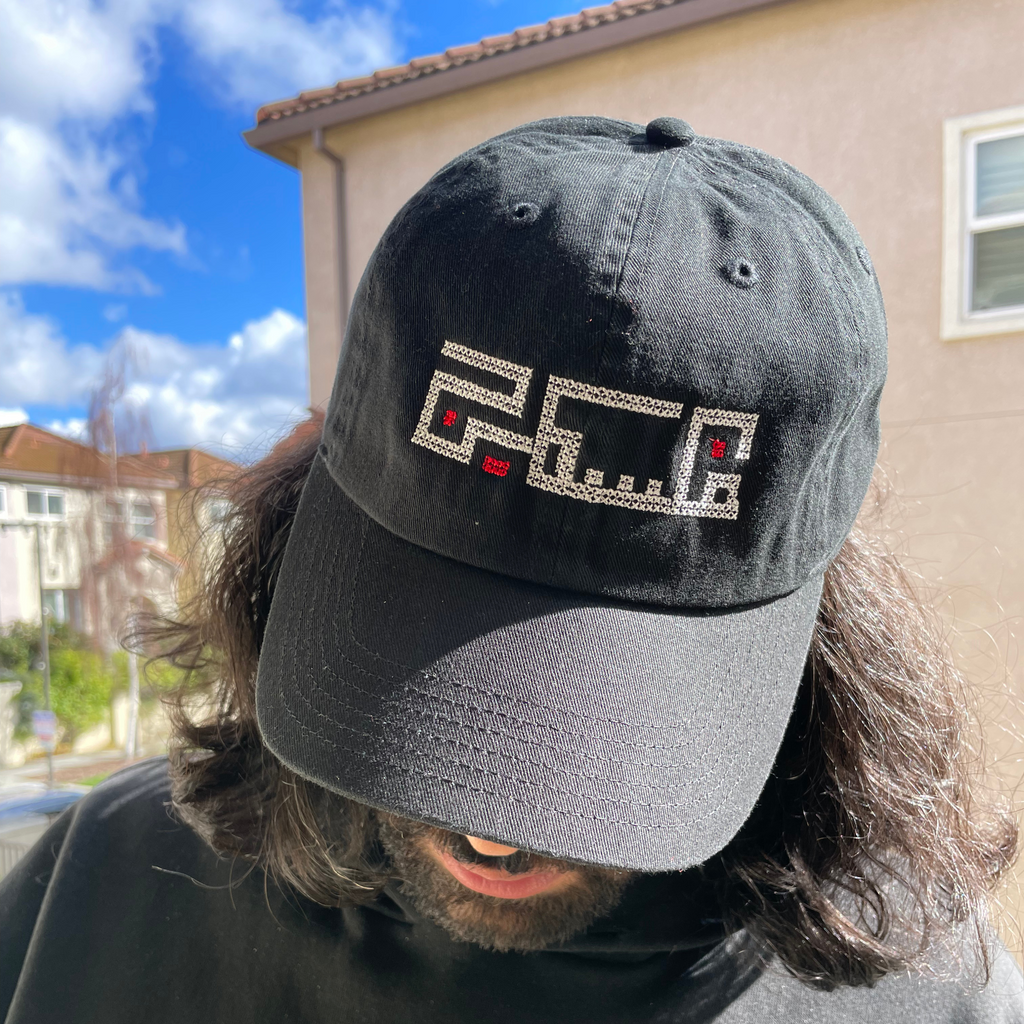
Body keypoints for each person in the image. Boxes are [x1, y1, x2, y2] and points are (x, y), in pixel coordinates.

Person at [1, 116, 1022, 1023]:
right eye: (436, 649)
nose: (496, 829)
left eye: (616, 705)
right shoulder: (102, 885)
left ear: (824, 640)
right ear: (293, 529)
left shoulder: (936, 995)